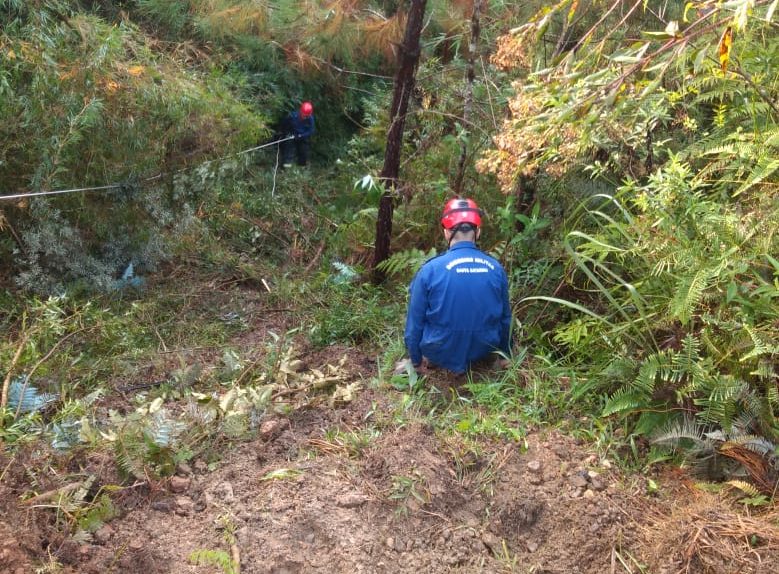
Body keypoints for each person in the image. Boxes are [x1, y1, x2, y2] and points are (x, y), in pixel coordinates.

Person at [401, 197, 512, 376]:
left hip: (439, 350)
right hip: (484, 349)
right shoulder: (496, 269)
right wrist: (505, 354)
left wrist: (415, 361)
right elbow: (506, 318)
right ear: (478, 232)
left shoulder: (430, 270)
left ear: (446, 233)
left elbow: (415, 323)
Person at [278, 101, 315, 167]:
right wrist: (285, 133)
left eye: (306, 116)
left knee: (303, 152)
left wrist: (301, 136)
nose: (304, 117)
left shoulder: (310, 119)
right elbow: (284, 125)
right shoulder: (293, 116)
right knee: (289, 152)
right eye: (303, 115)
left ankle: (301, 167)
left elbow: (310, 131)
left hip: (302, 137)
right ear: (300, 111)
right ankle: (286, 168)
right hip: (292, 135)